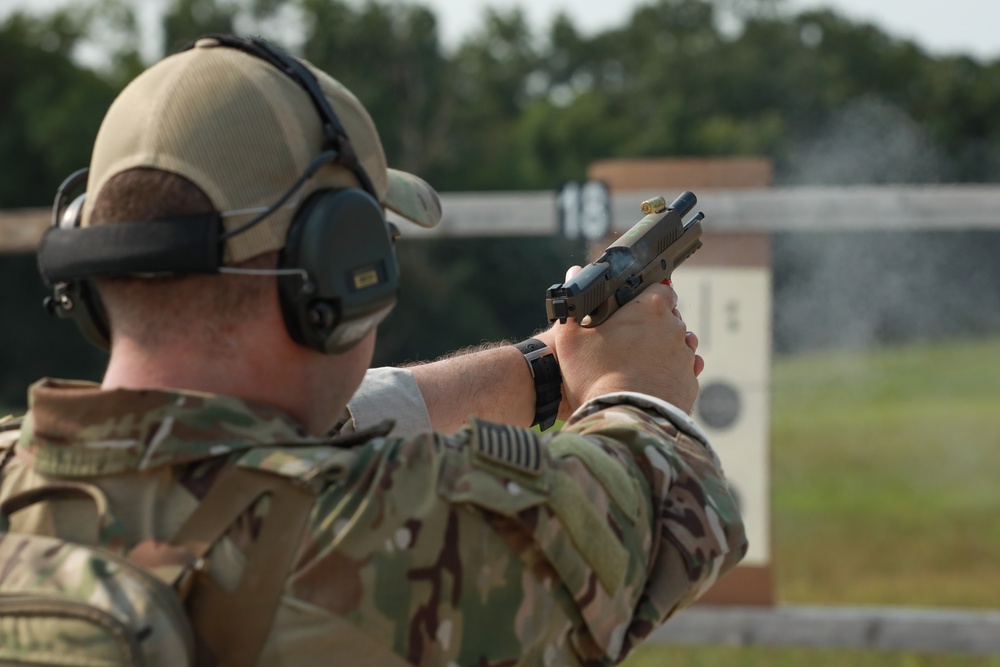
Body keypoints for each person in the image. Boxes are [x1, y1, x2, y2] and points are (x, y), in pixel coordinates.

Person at [0, 34, 746, 666]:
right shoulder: (372, 537)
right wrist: (640, 390)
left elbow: (287, 436)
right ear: (338, 268)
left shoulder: (15, 475)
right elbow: (672, 505)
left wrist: (551, 367)